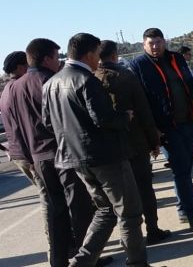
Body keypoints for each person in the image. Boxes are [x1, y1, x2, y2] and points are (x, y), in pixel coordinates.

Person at [42, 33, 148, 266]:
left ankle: (80, 263)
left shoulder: (50, 83)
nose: (99, 60)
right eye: (98, 54)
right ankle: (137, 263)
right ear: (90, 53)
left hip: (74, 158)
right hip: (105, 156)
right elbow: (103, 119)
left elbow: (48, 123)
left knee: (105, 211)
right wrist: (125, 117)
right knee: (129, 213)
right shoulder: (86, 80)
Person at [8, 39, 99, 267]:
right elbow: (62, 120)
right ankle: (86, 258)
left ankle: (58, 261)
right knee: (79, 207)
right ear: (47, 58)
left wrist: (29, 157)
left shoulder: (15, 87)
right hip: (62, 154)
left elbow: (17, 127)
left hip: (38, 158)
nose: (58, 61)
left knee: (56, 211)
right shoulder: (50, 81)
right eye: (56, 56)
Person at [129, 28, 193, 231]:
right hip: (165, 128)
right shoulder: (138, 65)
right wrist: (152, 129)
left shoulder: (176, 58)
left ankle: (183, 208)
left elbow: (189, 86)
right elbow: (140, 101)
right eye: (150, 43)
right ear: (143, 45)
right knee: (180, 169)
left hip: (188, 122)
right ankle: (192, 214)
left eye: (158, 42)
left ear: (164, 42)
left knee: (185, 168)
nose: (155, 47)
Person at [94, 40, 172, 245]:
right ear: (114, 55)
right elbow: (144, 112)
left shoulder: (90, 79)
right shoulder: (126, 77)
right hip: (135, 143)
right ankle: (152, 230)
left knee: (118, 196)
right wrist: (155, 141)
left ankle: (127, 236)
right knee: (144, 188)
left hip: (108, 148)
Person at [0, 51, 34, 183]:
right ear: (21, 68)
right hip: (29, 154)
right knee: (51, 197)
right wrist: (31, 159)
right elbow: (22, 126)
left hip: (18, 154)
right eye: (29, 66)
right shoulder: (21, 89)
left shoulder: (6, 91)